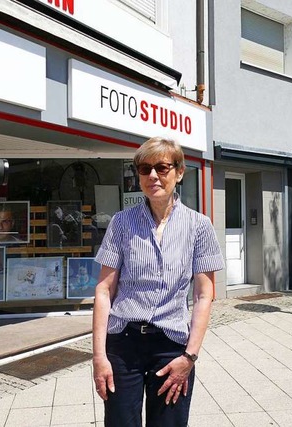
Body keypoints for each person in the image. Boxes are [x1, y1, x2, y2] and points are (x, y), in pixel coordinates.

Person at [92, 137, 225, 427]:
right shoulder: (121, 223)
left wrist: (189, 357)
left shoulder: (198, 226)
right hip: (123, 343)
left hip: (171, 346)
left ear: (178, 173)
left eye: (162, 168)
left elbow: (204, 295)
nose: (152, 175)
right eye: (145, 169)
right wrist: (99, 356)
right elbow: (104, 290)